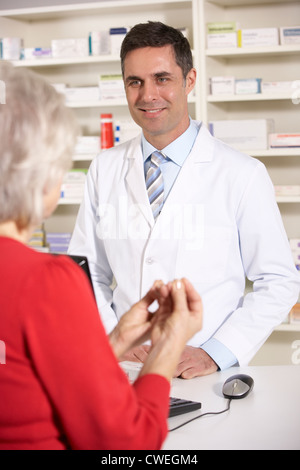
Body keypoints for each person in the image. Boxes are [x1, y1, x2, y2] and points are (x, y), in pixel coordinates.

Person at [68, 21, 300, 378]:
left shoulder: (242, 173)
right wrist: (116, 339)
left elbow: (279, 281)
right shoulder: (105, 168)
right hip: (124, 367)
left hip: (202, 372)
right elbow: (86, 273)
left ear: (189, 80)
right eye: (135, 82)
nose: (148, 95)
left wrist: (216, 353)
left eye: (162, 78)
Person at [0, 61, 203, 450]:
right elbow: (126, 443)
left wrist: (114, 340)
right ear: (43, 178)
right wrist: (168, 345)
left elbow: (24, 378)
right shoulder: (45, 281)